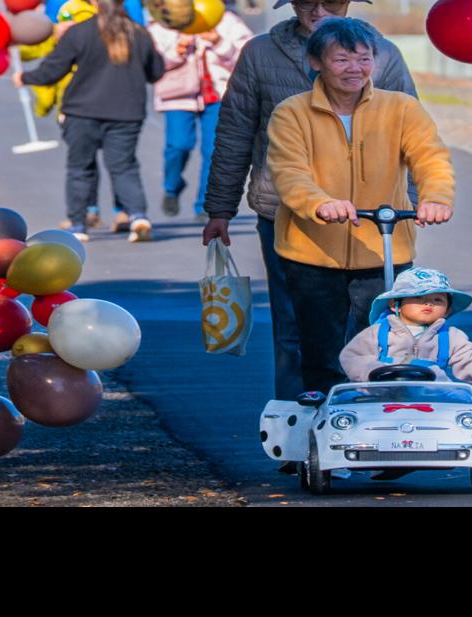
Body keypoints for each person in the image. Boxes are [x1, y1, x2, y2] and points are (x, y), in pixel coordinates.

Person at [202, 0, 420, 403]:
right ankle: (297, 423)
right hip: (285, 213)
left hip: (369, 218)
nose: (319, 10)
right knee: (294, 327)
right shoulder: (261, 53)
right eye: (306, 2)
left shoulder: (382, 52)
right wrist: (220, 208)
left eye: (332, 2)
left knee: (372, 325)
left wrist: (417, 202)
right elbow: (234, 131)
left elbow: (416, 137)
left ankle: (360, 421)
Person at [265, 17, 454, 398]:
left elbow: (430, 158)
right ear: (316, 62)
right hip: (312, 253)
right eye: (341, 60)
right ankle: (318, 435)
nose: (355, 69)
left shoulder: (400, 108)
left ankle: (384, 429)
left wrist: (435, 197)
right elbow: (289, 173)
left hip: (384, 249)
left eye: (363, 59)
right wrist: (320, 204)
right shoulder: (292, 113)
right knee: (320, 351)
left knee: (390, 346)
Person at [18, 5, 163, 242]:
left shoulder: (79, 32)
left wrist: (24, 77)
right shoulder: (139, 33)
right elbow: (156, 72)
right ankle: (138, 216)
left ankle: (78, 225)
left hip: (82, 111)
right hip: (127, 112)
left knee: (80, 168)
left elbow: (53, 69)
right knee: (124, 166)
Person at [339, 268, 472, 385]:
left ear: (447, 310)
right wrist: (374, 371)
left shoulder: (450, 336)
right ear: (394, 305)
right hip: (379, 397)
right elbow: (352, 357)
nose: (428, 304)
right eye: (418, 298)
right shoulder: (378, 333)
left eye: (437, 300)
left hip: (434, 400)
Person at [148, 9, 252, 220]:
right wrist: (178, 48)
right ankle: (172, 186)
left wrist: (218, 41)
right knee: (178, 145)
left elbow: (247, 56)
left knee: (213, 150)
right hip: (177, 95)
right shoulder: (164, 23)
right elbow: (153, 64)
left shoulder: (227, 21)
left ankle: (204, 205)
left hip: (219, 95)